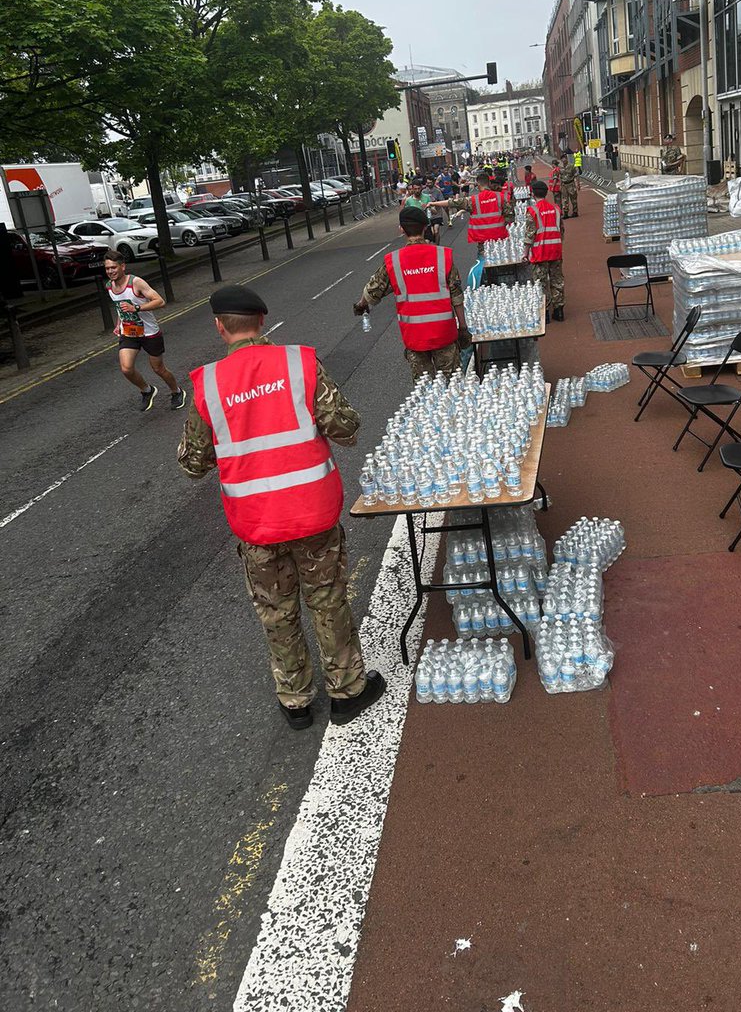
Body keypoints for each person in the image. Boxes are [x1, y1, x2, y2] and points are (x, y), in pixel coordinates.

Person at [177, 284, 385, 730]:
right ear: (262, 322)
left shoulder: (208, 385)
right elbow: (345, 425)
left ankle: (296, 701)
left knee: (277, 611)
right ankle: (347, 691)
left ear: (219, 327)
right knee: (327, 601)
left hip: (256, 524)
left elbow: (194, 464)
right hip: (312, 513)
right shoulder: (299, 364)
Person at [354, 207, 470, 381]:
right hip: (444, 333)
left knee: (425, 394)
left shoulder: (393, 261)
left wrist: (361, 305)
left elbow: (372, 291)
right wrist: (463, 328)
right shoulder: (442, 256)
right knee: (453, 386)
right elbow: (457, 296)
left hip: (415, 337)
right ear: (426, 227)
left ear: (401, 229)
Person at [104, 250, 186, 412]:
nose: (110, 271)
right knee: (126, 368)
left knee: (158, 369)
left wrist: (136, 308)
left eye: (113, 267)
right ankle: (147, 390)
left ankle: (177, 392)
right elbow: (120, 307)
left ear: (122, 266)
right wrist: (118, 323)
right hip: (129, 332)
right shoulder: (109, 286)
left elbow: (160, 301)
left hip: (149, 332)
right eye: (107, 268)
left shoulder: (136, 283)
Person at [523, 179, 565, 322]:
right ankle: (559, 311)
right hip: (555, 250)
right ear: (547, 193)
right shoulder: (556, 209)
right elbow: (561, 231)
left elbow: (529, 235)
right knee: (557, 280)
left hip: (540, 252)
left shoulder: (532, 211)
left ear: (533, 194)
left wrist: (525, 254)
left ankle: (545, 313)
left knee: (540, 283)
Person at [466, 168, 512, 256]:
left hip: (482, 240)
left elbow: (453, 202)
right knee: (501, 257)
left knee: (484, 260)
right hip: (500, 236)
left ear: (478, 185)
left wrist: (433, 203)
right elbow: (509, 215)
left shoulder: (473, 200)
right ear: (489, 183)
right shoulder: (500, 196)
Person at [558, 150, 580, 219]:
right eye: (562, 158)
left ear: (566, 158)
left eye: (565, 158)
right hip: (564, 185)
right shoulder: (560, 167)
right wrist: (560, 185)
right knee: (565, 199)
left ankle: (575, 212)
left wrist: (578, 184)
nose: (563, 160)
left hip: (571, 184)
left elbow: (576, 175)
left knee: (573, 199)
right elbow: (560, 177)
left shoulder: (571, 166)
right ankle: (566, 213)